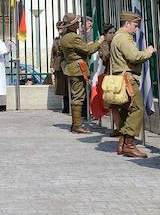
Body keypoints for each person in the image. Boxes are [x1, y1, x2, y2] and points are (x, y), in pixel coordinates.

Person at [109, 12, 153, 157]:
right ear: (127, 24)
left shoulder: (117, 37)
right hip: (127, 79)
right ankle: (129, 144)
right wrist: (148, 52)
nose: (136, 28)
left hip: (120, 78)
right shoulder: (123, 38)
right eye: (135, 25)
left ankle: (122, 143)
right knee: (137, 109)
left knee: (125, 111)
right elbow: (133, 56)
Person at [57, 13, 101, 134]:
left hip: (72, 67)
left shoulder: (65, 37)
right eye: (76, 22)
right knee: (78, 96)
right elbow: (88, 50)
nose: (78, 23)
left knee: (77, 95)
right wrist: (99, 42)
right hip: (77, 68)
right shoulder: (73, 37)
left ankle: (76, 124)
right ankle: (77, 125)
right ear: (71, 25)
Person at [96, 23, 120, 135]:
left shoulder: (118, 42)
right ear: (105, 35)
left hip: (120, 75)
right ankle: (119, 127)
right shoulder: (104, 45)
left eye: (114, 32)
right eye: (110, 33)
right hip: (110, 75)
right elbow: (105, 57)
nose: (112, 35)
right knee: (113, 104)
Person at [50, 35, 68, 114]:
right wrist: (51, 65)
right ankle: (65, 106)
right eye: (59, 28)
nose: (60, 29)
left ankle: (68, 106)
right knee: (61, 87)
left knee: (67, 87)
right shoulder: (56, 40)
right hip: (58, 65)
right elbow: (52, 54)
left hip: (66, 64)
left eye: (61, 28)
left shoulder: (67, 38)